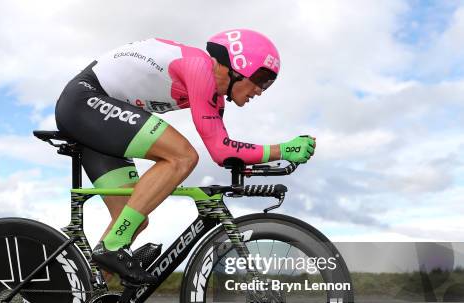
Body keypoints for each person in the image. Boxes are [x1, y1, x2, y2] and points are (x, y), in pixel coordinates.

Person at [55, 29, 315, 286]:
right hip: (85, 100)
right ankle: (112, 247)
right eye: (261, 78)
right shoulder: (198, 66)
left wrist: (261, 168)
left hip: (100, 120)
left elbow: (226, 153)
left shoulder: (215, 98)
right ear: (237, 66)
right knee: (182, 157)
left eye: (268, 84)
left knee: (132, 219)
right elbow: (221, 150)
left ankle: (79, 298)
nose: (261, 89)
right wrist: (282, 149)